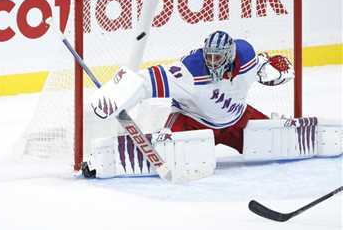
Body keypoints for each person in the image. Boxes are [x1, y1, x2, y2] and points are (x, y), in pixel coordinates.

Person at [82, 30, 341, 181]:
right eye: (209, 56)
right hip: (192, 120)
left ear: (230, 55)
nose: (213, 62)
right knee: (164, 153)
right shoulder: (189, 71)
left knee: (283, 139)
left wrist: (273, 68)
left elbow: (263, 65)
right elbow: (143, 81)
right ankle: (101, 161)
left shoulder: (246, 55)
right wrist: (115, 96)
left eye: (218, 57)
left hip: (239, 119)